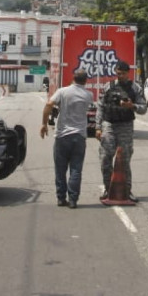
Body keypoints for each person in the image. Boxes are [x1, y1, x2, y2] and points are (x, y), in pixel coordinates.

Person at [40, 69, 93, 209]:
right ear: (86, 81)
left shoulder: (62, 92)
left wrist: (44, 124)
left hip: (62, 136)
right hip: (80, 136)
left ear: (73, 78)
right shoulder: (89, 95)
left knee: (60, 169)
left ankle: (61, 198)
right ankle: (73, 200)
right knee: (76, 169)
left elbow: (49, 105)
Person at [96, 61, 147, 202]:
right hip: (109, 124)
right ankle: (108, 189)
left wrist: (132, 106)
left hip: (125, 126)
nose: (120, 76)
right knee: (105, 157)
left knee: (125, 160)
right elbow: (100, 106)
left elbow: (144, 108)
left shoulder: (135, 88)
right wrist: (98, 127)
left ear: (128, 73)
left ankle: (127, 191)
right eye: (118, 73)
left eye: (123, 73)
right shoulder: (108, 87)